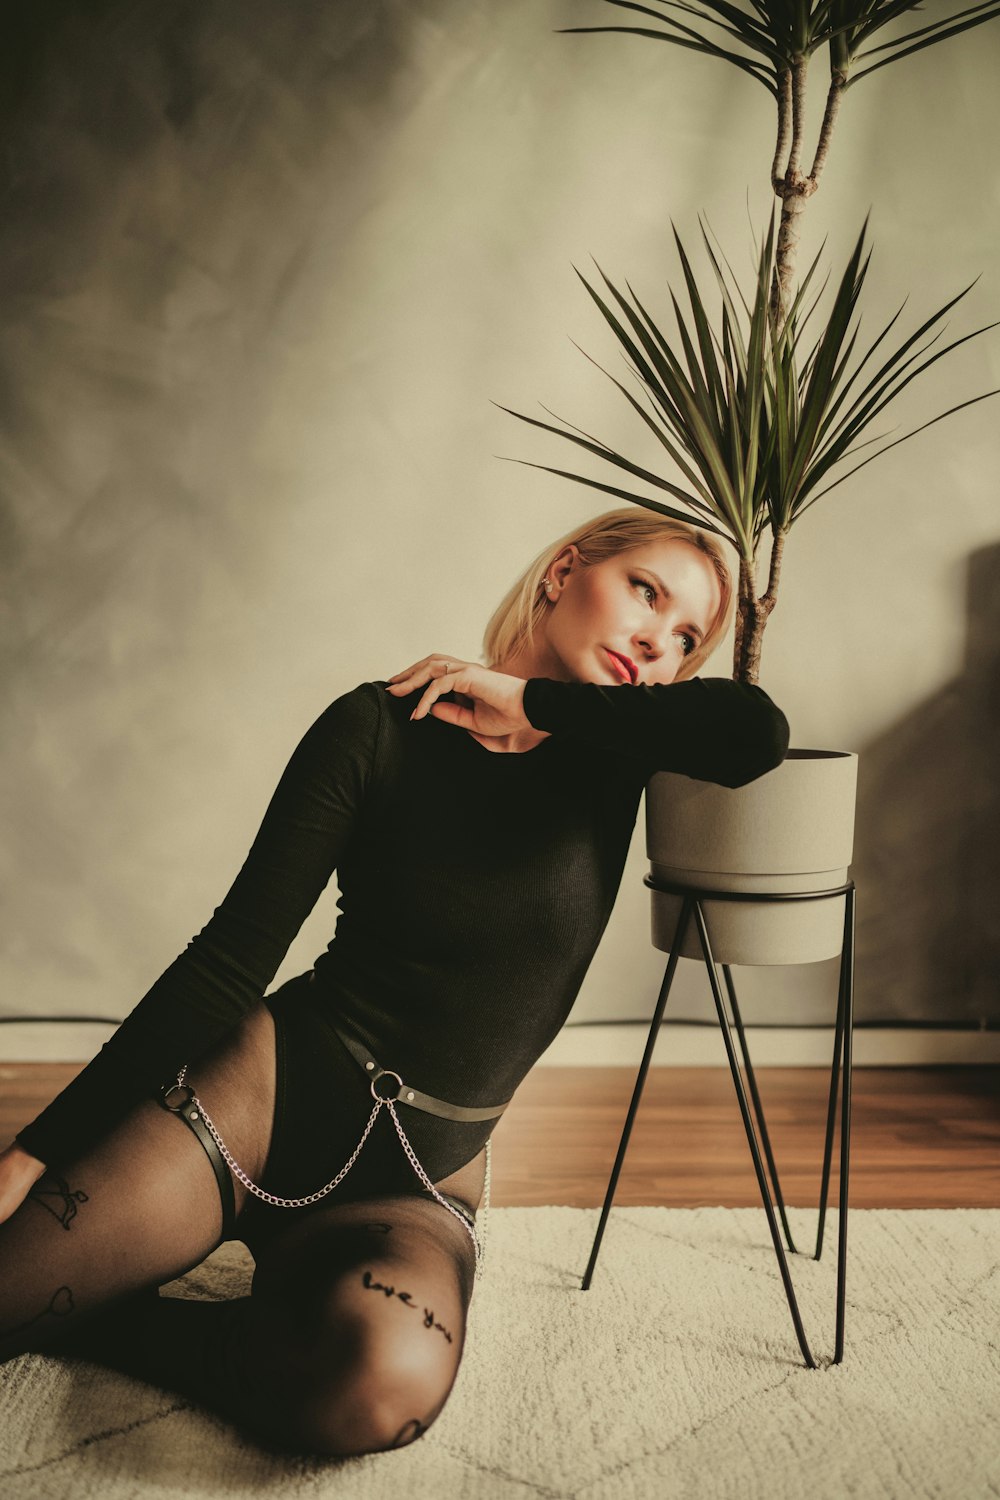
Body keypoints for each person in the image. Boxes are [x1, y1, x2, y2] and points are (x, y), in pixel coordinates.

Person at [0, 507, 789, 1456]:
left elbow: (755, 732)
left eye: (683, 640)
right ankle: (120, 1280)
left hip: (413, 1182)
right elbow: (229, 957)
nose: (655, 641)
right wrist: (37, 1153)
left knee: (376, 1397)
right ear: (564, 571)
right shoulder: (379, 722)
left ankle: (109, 1320)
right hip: (256, 1104)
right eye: (646, 592)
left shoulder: (618, 752)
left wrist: (528, 704)